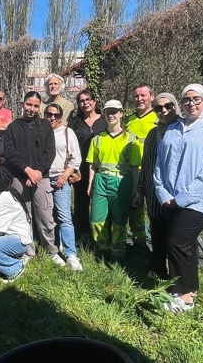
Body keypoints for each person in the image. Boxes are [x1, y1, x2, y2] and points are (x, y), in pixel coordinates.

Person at [136, 93, 203, 279]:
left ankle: (184, 282)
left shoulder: (192, 125)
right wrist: (142, 189)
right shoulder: (152, 133)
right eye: (158, 108)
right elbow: (148, 162)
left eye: (168, 106)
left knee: (180, 239)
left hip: (182, 193)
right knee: (158, 230)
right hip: (156, 190)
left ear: (176, 106)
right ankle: (158, 269)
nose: (164, 111)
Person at [155, 84, 203, 313]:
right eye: (186, 100)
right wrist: (164, 194)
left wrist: (183, 198)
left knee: (177, 242)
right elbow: (159, 165)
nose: (191, 104)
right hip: (170, 200)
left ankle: (182, 297)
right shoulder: (174, 128)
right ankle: (191, 289)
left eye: (196, 99)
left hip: (199, 201)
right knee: (188, 245)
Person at [3, 91, 62, 266]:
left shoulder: (45, 126)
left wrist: (37, 172)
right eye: (29, 104)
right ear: (23, 104)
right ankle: (28, 251)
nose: (32, 109)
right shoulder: (13, 127)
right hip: (19, 178)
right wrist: (27, 170)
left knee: (45, 215)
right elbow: (10, 153)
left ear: (39, 107)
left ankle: (51, 250)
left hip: (40, 178)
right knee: (24, 215)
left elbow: (49, 152)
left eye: (36, 106)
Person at [87, 99, 141, 261]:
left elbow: (134, 167)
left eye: (114, 112)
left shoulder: (131, 139)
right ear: (103, 114)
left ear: (121, 114)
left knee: (119, 220)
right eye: (108, 112)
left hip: (121, 182)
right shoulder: (97, 138)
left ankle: (117, 251)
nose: (111, 115)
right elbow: (93, 164)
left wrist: (135, 189)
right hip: (100, 181)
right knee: (97, 219)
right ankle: (101, 249)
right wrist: (91, 184)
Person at [45, 103, 83, 271]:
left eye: (56, 115)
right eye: (49, 114)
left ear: (60, 117)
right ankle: (54, 247)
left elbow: (76, 159)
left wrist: (64, 176)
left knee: (64, 216)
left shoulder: (68, 132)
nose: (52, 117)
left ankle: (71, 254)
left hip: (61, 178)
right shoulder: (41, 131)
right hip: (44, 179)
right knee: (49, 217)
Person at [68, 90, 107, 241]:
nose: (85, 103)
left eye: (88, 99)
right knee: (81, 201)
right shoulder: (75, 123)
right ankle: (83, 232)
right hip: (80, 168)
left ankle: (101, 234)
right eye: (81, 101)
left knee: (100, 201)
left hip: (100, 167)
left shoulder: (104, 121)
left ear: (94, 101)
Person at [124, 83, 156, 248]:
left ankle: (158, 243)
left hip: (153, 173)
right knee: (135, 208)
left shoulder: (159, 117)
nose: (139, 99)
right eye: (136, 96)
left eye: (143, 95)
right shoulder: (128, 120)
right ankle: (140, 243)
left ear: (152, 96)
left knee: (154, 210)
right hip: (134, 172)